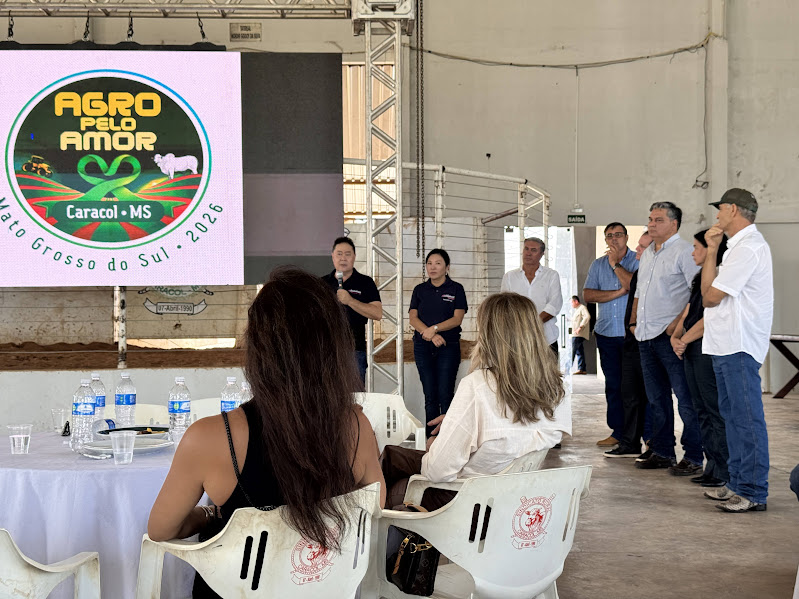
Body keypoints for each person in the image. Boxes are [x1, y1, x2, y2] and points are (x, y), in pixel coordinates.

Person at [147, 268, 386, 597]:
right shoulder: (356, 427)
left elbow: (161, 530)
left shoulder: (209, 437)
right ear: (333, 345)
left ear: (257, 347)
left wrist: (209, 515)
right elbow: (374, 506)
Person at [382, 292, 570, 509]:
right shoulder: (557, 388)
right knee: (392, 457)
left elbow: (437, 471)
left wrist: (435, 447)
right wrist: (457, 420)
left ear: (489, 335)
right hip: (512, 497)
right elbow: (513, 429)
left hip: (467, 500)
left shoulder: (478, 385)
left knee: (393, 478)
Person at [701, 188, 773, 512]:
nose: (716, 215)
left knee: (745, 419)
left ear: (732, 209)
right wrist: (712, 249)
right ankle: (737, 482)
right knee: (732, 417)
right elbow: (709, 293)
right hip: (726, 344)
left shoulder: (749, 248)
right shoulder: (735, 248)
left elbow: (710, 297)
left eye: (720, 209)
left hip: (739, 345)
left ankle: (753, 490)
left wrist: (712, 253)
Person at [631, 202, 704, 474]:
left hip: (671, 339)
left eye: (658, 220)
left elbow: (697, 294)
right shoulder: (648, 254)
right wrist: (634, 323)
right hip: (645, 337)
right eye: (650, 219)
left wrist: (676, 327)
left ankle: (694, 456)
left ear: (674, 224)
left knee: (686, 400)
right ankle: (662, 451)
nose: (651, 224)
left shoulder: (684, 252)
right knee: (657, 399)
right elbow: (639, 292)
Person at [668, 229, 729, 488]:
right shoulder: (699, 277)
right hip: (691, 348)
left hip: (706, 348)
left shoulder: (720, 276)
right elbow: (689, 311)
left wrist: (684, 339)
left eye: (696, 247)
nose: (692, 252)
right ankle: (710, 466)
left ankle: (723, 471)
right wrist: (676, 335)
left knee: (714, 411)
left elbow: (709, 318)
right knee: (700, 409)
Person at [584, 222, 639, 447]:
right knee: (614, 386)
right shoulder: (597, 265)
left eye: (618, 234)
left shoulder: (638, 260)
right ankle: (618, 432)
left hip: (632, 335)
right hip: (606, 334)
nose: (614, 239)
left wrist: (616, 264)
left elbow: (633, 286)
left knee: (636, 387)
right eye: (609, 236)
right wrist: (618, 293)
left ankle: (642, 435)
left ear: (626, 237)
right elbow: (588, 295)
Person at [409, 249, 468, 437]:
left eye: (438, 263)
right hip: (423, 346)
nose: (432, 267)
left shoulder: (456, 289)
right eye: (429, 263)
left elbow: (457, 319)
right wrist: (429, 334)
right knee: (430, 395)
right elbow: (413, 318)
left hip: (447, 346)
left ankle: (448, 438)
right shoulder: (420, 290)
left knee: (446, 393)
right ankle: (431, 438)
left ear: (447, 267)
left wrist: (434, 329)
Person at [604, 231, 652, 459]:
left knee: (651, 396)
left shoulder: (655, 272)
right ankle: (629, 442)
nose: (637, 250)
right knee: (629, 394)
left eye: (643, 247)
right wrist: (632, 326)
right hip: (632, 340)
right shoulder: (643, 271)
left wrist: (615, 264)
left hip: (649, 341)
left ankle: (655, 443)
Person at [322, 237, 383, 383]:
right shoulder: (322, 283)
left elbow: (377, 313)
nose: (343, 258)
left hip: (355, 350)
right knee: (328, 393)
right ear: (332, 256)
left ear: (354, 257)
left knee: (355, 394)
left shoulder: (365, 282)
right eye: (339, 254)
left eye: (347, 254)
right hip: (326, 350)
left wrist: (350, 301)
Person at [501, 237, 563, 356]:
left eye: (533, 250)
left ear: (542, 254)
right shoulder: (509, 277)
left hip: (546, 338)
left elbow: (554, 305)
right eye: (526, 249)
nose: (528, 253)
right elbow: (505, 306)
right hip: (517, 339)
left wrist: (532, 323)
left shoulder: (551, 275)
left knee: (548, 369)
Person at [570, 295, 590, 374]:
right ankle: (582, 369)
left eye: (572, 302)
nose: (571, 304)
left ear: (576, 301)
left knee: (573, 350)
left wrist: (580, 327)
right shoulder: (577, 310)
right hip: (576, 334)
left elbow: (587, 317)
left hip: (578, 334)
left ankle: (568, 368)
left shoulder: (582, 308)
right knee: (579, 351)